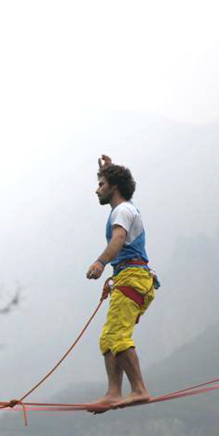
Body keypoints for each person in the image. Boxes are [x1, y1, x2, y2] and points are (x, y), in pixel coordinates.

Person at [86, 154, 157, 412]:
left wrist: (100, 262)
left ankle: (139, 389)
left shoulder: (123, 211)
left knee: (117, 335)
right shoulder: (126, 209)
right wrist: (109, 170)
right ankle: (113, 393)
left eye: (102, 184)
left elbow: (118, 238)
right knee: (108, 338)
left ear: (114, 187)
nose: (97, 190)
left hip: (133, 278)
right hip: (128, 278)